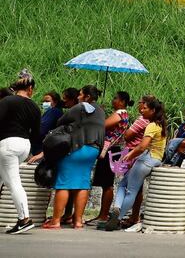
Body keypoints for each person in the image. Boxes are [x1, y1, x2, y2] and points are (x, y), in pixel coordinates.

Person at [43, 85, 106, 230]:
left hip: (76, 148)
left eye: (80, 94)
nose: (78, 97)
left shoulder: (79, 108)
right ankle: (78, 222)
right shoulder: (101, 111)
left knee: (63, 184)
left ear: (87, 97)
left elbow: (60, 121)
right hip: (93, 150)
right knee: (82, 184)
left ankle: (56, 221)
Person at [105, 98, 167, 231]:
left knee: (131, 190)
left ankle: (117, 217)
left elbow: (143, 146)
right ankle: (117, 209)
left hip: (146, 159)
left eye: (145, 108)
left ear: (153, 110)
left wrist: (130, 154)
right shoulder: (161, 124)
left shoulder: (151, 125)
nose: (142, 110)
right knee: (123, 184)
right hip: (155, 159)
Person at [0, 69, 40, 235]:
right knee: (2, 178)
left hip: (8, 144)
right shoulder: (35, 107)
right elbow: (37, 133)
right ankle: (23, 219)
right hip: (24, 145)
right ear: (30, 89)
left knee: (13, 182)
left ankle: (24, 219)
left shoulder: (7, 101)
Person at [90, 91, 133, 229]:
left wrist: (100, 114)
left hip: (110, 149)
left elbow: (102, 125)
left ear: (122, 101)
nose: (113, 100)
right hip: (114, 150)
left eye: (115, 98)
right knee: (105, 183)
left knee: (107, 183)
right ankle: (102, 213)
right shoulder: (124, 113)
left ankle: (103, 215)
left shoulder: (120, 113)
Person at [27, 90, 62, 160]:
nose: (45, 103)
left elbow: (41, 130)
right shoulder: (54, 112)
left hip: (41, 149)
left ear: (55, 102)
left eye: (47, 101)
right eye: (43, 101)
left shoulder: (53, 112)